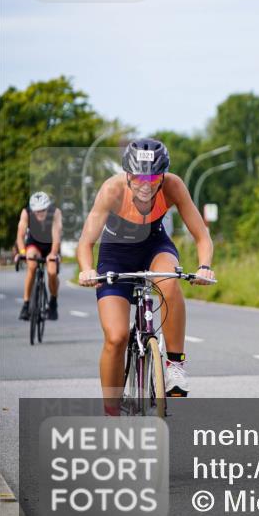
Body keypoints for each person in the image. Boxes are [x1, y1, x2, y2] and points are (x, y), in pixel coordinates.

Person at [77, 138, 216, 409]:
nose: (146, 183)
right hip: (116, 254)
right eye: (138, 176)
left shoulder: (173, 186)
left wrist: (204, 266)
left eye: (153, 176)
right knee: (116, 337)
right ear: (127, 174)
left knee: (169, 283)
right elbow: (85, 242)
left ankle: (174, 366)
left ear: (162, 175)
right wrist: (86, 269)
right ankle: (112, 412)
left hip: (155, 244)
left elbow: (201, 235)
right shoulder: (111, 190)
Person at [15, 192, 62, 321]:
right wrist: (22, 253)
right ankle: (26, 304)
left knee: (52, 271)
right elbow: (20, 236)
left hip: (51, 244)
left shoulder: (55, 213)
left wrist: (53, 254)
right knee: (31, 265)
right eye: (37, 211)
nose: (39, 214)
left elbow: (56, 237)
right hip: (34, 243)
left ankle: (53, 301)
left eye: (42, 210)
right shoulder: (26, 213)